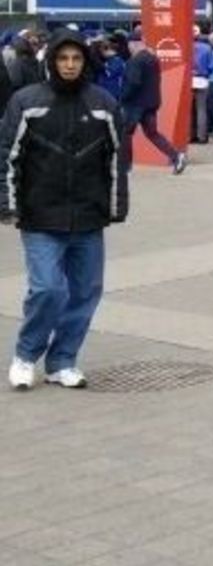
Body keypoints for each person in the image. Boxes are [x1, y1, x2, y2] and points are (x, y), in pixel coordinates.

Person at [2, 29, 128, 390]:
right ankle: (26, 356)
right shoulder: (27, 101)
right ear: (52, 61)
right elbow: (7, 155)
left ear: (84, 62)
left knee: (86, 291)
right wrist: (8, 204)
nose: (69, 65)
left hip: (88, 217)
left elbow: (118, 158)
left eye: (76, 58)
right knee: (48, 290)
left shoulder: (103, 103)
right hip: (40, 214)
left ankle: (62, 360)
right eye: (63, 58)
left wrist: (117, 204)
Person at [121, 33, 186, 174]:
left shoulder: (135, 61)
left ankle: (126, 167)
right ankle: (176, 156)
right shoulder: (153, 59)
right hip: (152, 103)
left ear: (132, 44)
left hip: (135, 104)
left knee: (125, 133)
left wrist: (122, 97)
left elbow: (133, 82)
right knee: (152, 133)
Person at [191, 29, 212, 144]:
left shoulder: (185, 46)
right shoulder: (207, 48)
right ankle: (202, 136)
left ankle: (190, 135)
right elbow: (211, 65)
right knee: (201, 109)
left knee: (189, 110)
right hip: (202, 79)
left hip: (189, 79)